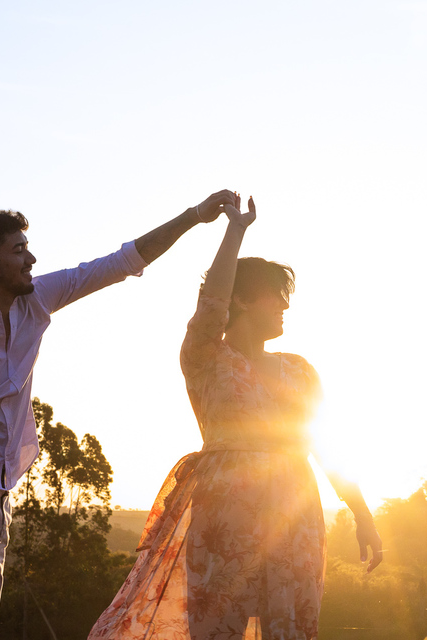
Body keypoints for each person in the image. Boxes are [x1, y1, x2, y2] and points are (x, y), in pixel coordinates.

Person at [0, 190, 239, 640]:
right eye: (18, 250)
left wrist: (194, 216)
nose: (31, 258)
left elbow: (121, 262)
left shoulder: (36, 300)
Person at [89, 195, 382, 640]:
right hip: (226, 512)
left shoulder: (300, 370)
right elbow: (210, 306)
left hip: (294, 512)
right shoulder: (206, 358)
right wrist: (235, 231)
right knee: (217, 627)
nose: (284, 306)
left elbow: (325, 447)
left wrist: (363, 514)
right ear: (242, 300)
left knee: (292, 626)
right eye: (274, 297)